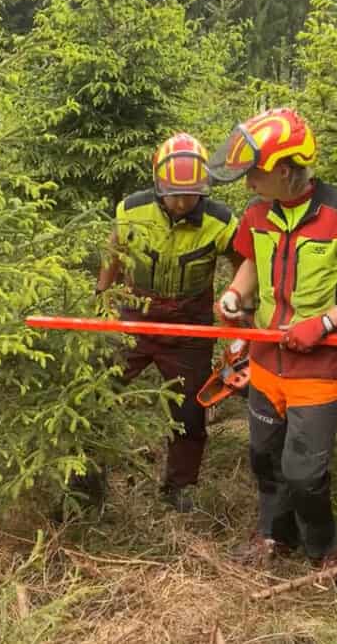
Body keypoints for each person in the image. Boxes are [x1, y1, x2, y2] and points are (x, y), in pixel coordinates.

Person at [209, 108, 337, 573]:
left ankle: (324, 549)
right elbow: (252, 262)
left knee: (305, 473)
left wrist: (326, 324)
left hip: (318, 367)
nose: (249, 182)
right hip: (267, 360)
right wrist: (235, 294)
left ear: (286, 171)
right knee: (264, 458)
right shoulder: (256, 213)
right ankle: (274, 535)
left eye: (255, 173)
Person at [96, 133, 242, 513]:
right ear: (159, 186)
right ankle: (85, 484)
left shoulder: (221, 221)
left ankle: (180, 487)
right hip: (134, 315)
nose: (181, 202)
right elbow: (114, 254)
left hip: (189, 326)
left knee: (190, 410)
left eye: (190, 194)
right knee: (98, 393)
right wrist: (103, 301)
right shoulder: (131, 209)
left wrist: (240, 305)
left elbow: (245, 264)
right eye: (174, 194)